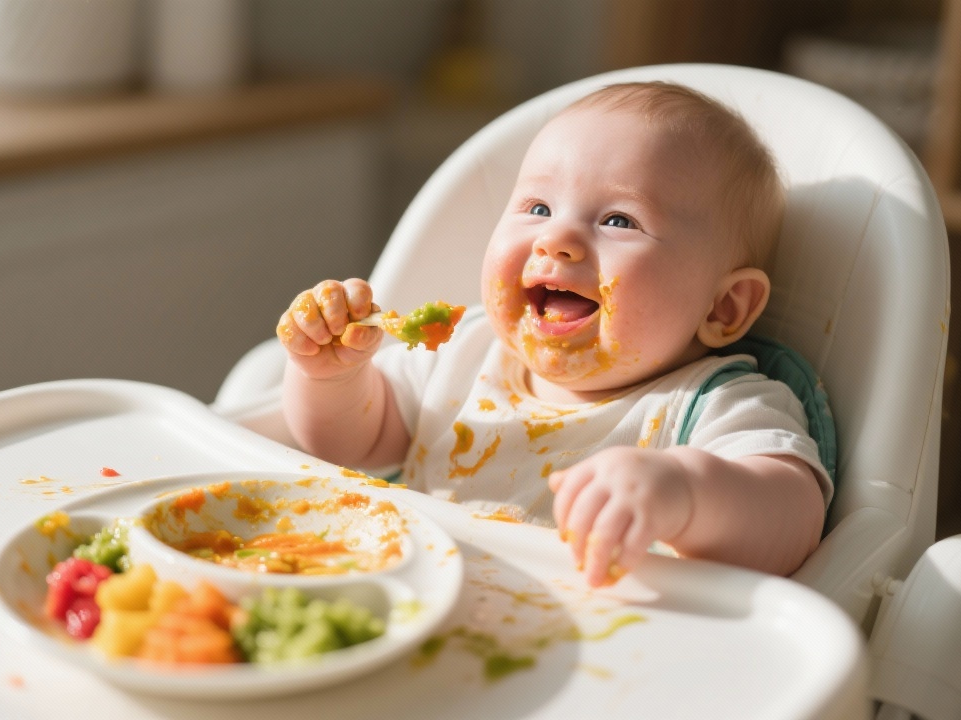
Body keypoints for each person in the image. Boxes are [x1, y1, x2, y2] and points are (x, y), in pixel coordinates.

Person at [275, 81, 831, 586]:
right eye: (538, 207)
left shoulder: (715, 405)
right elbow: (348, 445)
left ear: (725, 306)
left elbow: (793, 518)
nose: (556, 238)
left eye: (619, 220)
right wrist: (334, 378)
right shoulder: (464, 355)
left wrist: (685, 492)